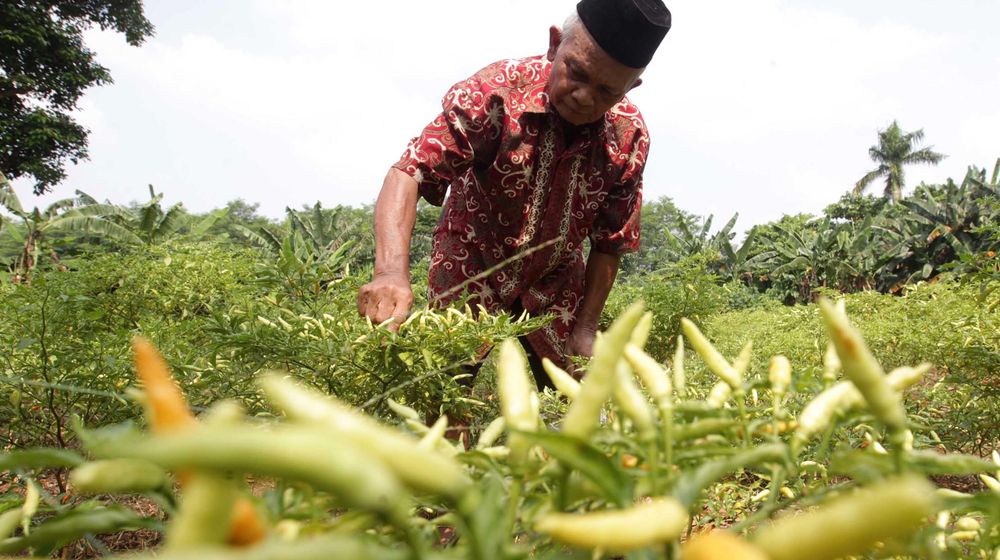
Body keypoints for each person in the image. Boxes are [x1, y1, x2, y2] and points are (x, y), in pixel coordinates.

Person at [358, 0, 671, 386]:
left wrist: (586, 328)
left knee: (574, 396)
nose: (584, 96)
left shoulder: (628, 136)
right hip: (471, 261)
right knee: (445, 387)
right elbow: (410, 171)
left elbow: (611, 241)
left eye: (606, 91)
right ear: (555, 45)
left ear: (630, 88)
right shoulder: (494, 92)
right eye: (576, 72)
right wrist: (390, 272)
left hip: (555, 279)